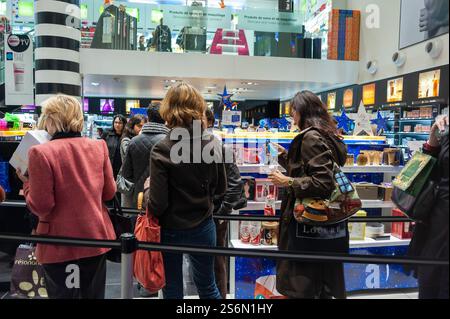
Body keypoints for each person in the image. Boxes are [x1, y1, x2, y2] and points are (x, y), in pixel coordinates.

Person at [15, 95, 116, 299]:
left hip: (58, 243)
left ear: (51, 119)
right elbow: (109, 193)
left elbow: (42, 205)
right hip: (95, 238)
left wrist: (26, 183)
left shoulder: (40, 153)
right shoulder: (98, 146)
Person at [146, 83, 226, 299]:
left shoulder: (163, 148)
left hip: (171, 228)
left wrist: (147, 191)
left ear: (169, 109)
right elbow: (221, 189)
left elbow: (158, 204)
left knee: (172, 288)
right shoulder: (212, 143)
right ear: (198, 106)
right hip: (203, 224)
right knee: (208, 286)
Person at [268, 90, 348, 299]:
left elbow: (322, 182)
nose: (292, 117)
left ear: (302, 112)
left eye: (293, 111)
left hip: (306, 226)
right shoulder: (327, 135)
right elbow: (315, 169)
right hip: (324, 230)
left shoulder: (311, 137)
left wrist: (289, 181)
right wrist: (286, 157)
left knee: (303, 285)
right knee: (320, 285)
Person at [205, 108, 246, 299]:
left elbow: (235, 183)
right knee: (205, 261)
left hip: (214, 214)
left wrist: (222, 211)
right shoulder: (190, 147)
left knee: (215, 261)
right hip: (202, 214)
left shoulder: (220, 147)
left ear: (209, 122)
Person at [408, 115, 449, 299]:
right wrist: (433, 137)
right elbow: (425, 167)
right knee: (430, 281)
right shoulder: (446, 130)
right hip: (438, 222)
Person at [122, 103, 169, 210]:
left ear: (149, 117)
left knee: (140, 226)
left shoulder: (133, 142)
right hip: (165, 199)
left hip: (139, 198)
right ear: (165, 117)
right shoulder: (172, 141)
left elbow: (126, 174)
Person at [119, 115, 146, 207]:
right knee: (129, 213)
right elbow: (132, 158)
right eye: (139, 126)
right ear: (132, 126)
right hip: (128, 183)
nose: (141, 129)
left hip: (139, 182)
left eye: (144, 126)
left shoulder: (142, 140)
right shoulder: (126, 140)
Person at [102, 114, 127, 179]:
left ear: (124, 124)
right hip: (108, 166)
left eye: (120, 123)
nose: (117, 125)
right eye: (115, 122)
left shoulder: (127, 136)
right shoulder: (107, 133)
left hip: (121, 168)